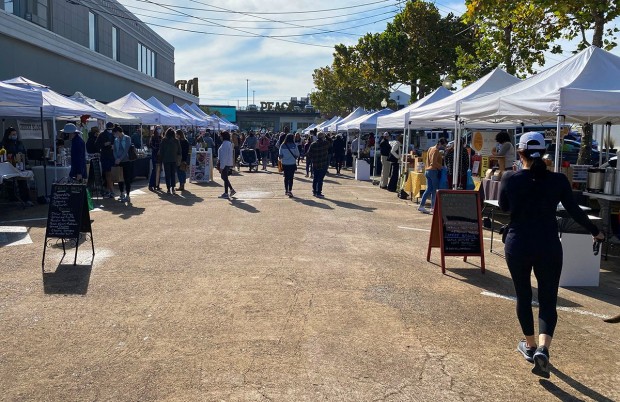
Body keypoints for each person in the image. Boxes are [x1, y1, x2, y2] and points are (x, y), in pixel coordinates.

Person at [499, 132, 604, 379]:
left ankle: (530, 345)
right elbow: (574, 211)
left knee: (523, 296)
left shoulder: (509, 178)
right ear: (545, 153)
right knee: (548, 300)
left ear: (520, 152)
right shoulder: (558, 181)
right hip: (548, 245)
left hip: (518, 243)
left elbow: (504, 208)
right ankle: (544, 350)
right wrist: (595, 231)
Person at [1, 127, 33, 206]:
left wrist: (26, 163)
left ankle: (26, 199)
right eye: (13, 134)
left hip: (20, 165)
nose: (15, 136)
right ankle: (12, 197)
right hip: (8, 166)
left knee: (22, 181)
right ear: (8, 135)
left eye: (15, 134)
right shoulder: (3, 144)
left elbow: (24, 153)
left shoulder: (19, 143)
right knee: (9, 181)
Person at [418, 138, 446, 213]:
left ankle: (421, 205)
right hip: (433, 171)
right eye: (443, 145)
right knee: (434, 190)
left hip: (427, 171)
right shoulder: (436, 150)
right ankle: (433, 207)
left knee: (428, 189)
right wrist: (441, 167)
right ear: (440, 143)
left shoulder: (430, 148)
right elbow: (433, 163)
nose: (443, 147)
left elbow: (429, 160)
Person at [112, 126, 134, 202]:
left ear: (118, 132)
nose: (114, 135)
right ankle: (121, 193)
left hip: (127, 161)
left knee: (127, 178)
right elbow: (114, 150)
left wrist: (119, 159)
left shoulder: (127, 138)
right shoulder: (116, 140)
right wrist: (116, 158)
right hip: (118, 162)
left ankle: (128, 195)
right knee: (119, 179)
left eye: (115, 133)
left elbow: (126, 150)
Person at [95, 122, 117, 197]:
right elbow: (97, 145)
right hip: (105, 156)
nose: (110, 130)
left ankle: (108, 190)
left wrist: (114, 146)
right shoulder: (102, 135)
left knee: (110, 174)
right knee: (108, 173)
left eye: (111, 128)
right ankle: (111, 190)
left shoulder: (114, 134)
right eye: (109, 129)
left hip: (113, 156)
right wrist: (104, 144)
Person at [306, 132, 330, 197]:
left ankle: (314, 191)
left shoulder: (313, 144)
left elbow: (308, 154)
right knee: (320, 179)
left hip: (315, 163)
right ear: (323, 137)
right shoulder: (325, 143)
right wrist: (326, 136)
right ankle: (319, 192)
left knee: (315, 178)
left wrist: (313, 158)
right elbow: (331, 141)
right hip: (323, 163)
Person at [159, 128, 181, 195]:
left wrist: (161, 159)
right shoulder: (176, 141)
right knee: (173, 174)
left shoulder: (164, 140)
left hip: (166, 160)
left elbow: (161, 151)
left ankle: (168, 188)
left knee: (167, 175)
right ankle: (173, 188)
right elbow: (179, 151)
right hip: (174, 159)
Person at [279, 133, 300, 197]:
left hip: (285, 163)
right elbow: (297, 154)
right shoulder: (294, 145)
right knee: (291, 177)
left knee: (286, 177)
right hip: (292, 163)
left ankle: (286, 190)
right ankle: (290, 190)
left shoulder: (282, 145)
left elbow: (280, 156)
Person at [217, 131, 236, 199]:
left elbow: (224, 156)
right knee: (224, 177)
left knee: (224, 177)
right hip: (227, 163)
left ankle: (226, 193)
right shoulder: (228, 143)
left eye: (221, 136)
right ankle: (231, 190)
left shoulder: (225, 144)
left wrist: (222, 166)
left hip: (225, 163)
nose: (220, 137)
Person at [148, 126, 162, 191]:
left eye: (160, 129)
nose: (159, 130)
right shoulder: (153, 137)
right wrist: (157, 150)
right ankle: (151, 185)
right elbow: (151, 145)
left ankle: (157, 185)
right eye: (158, 129)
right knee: (154, 170)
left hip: (160, 155)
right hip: (155, 154)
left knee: (159, 170)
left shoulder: (161, 137)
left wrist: (160, 150)